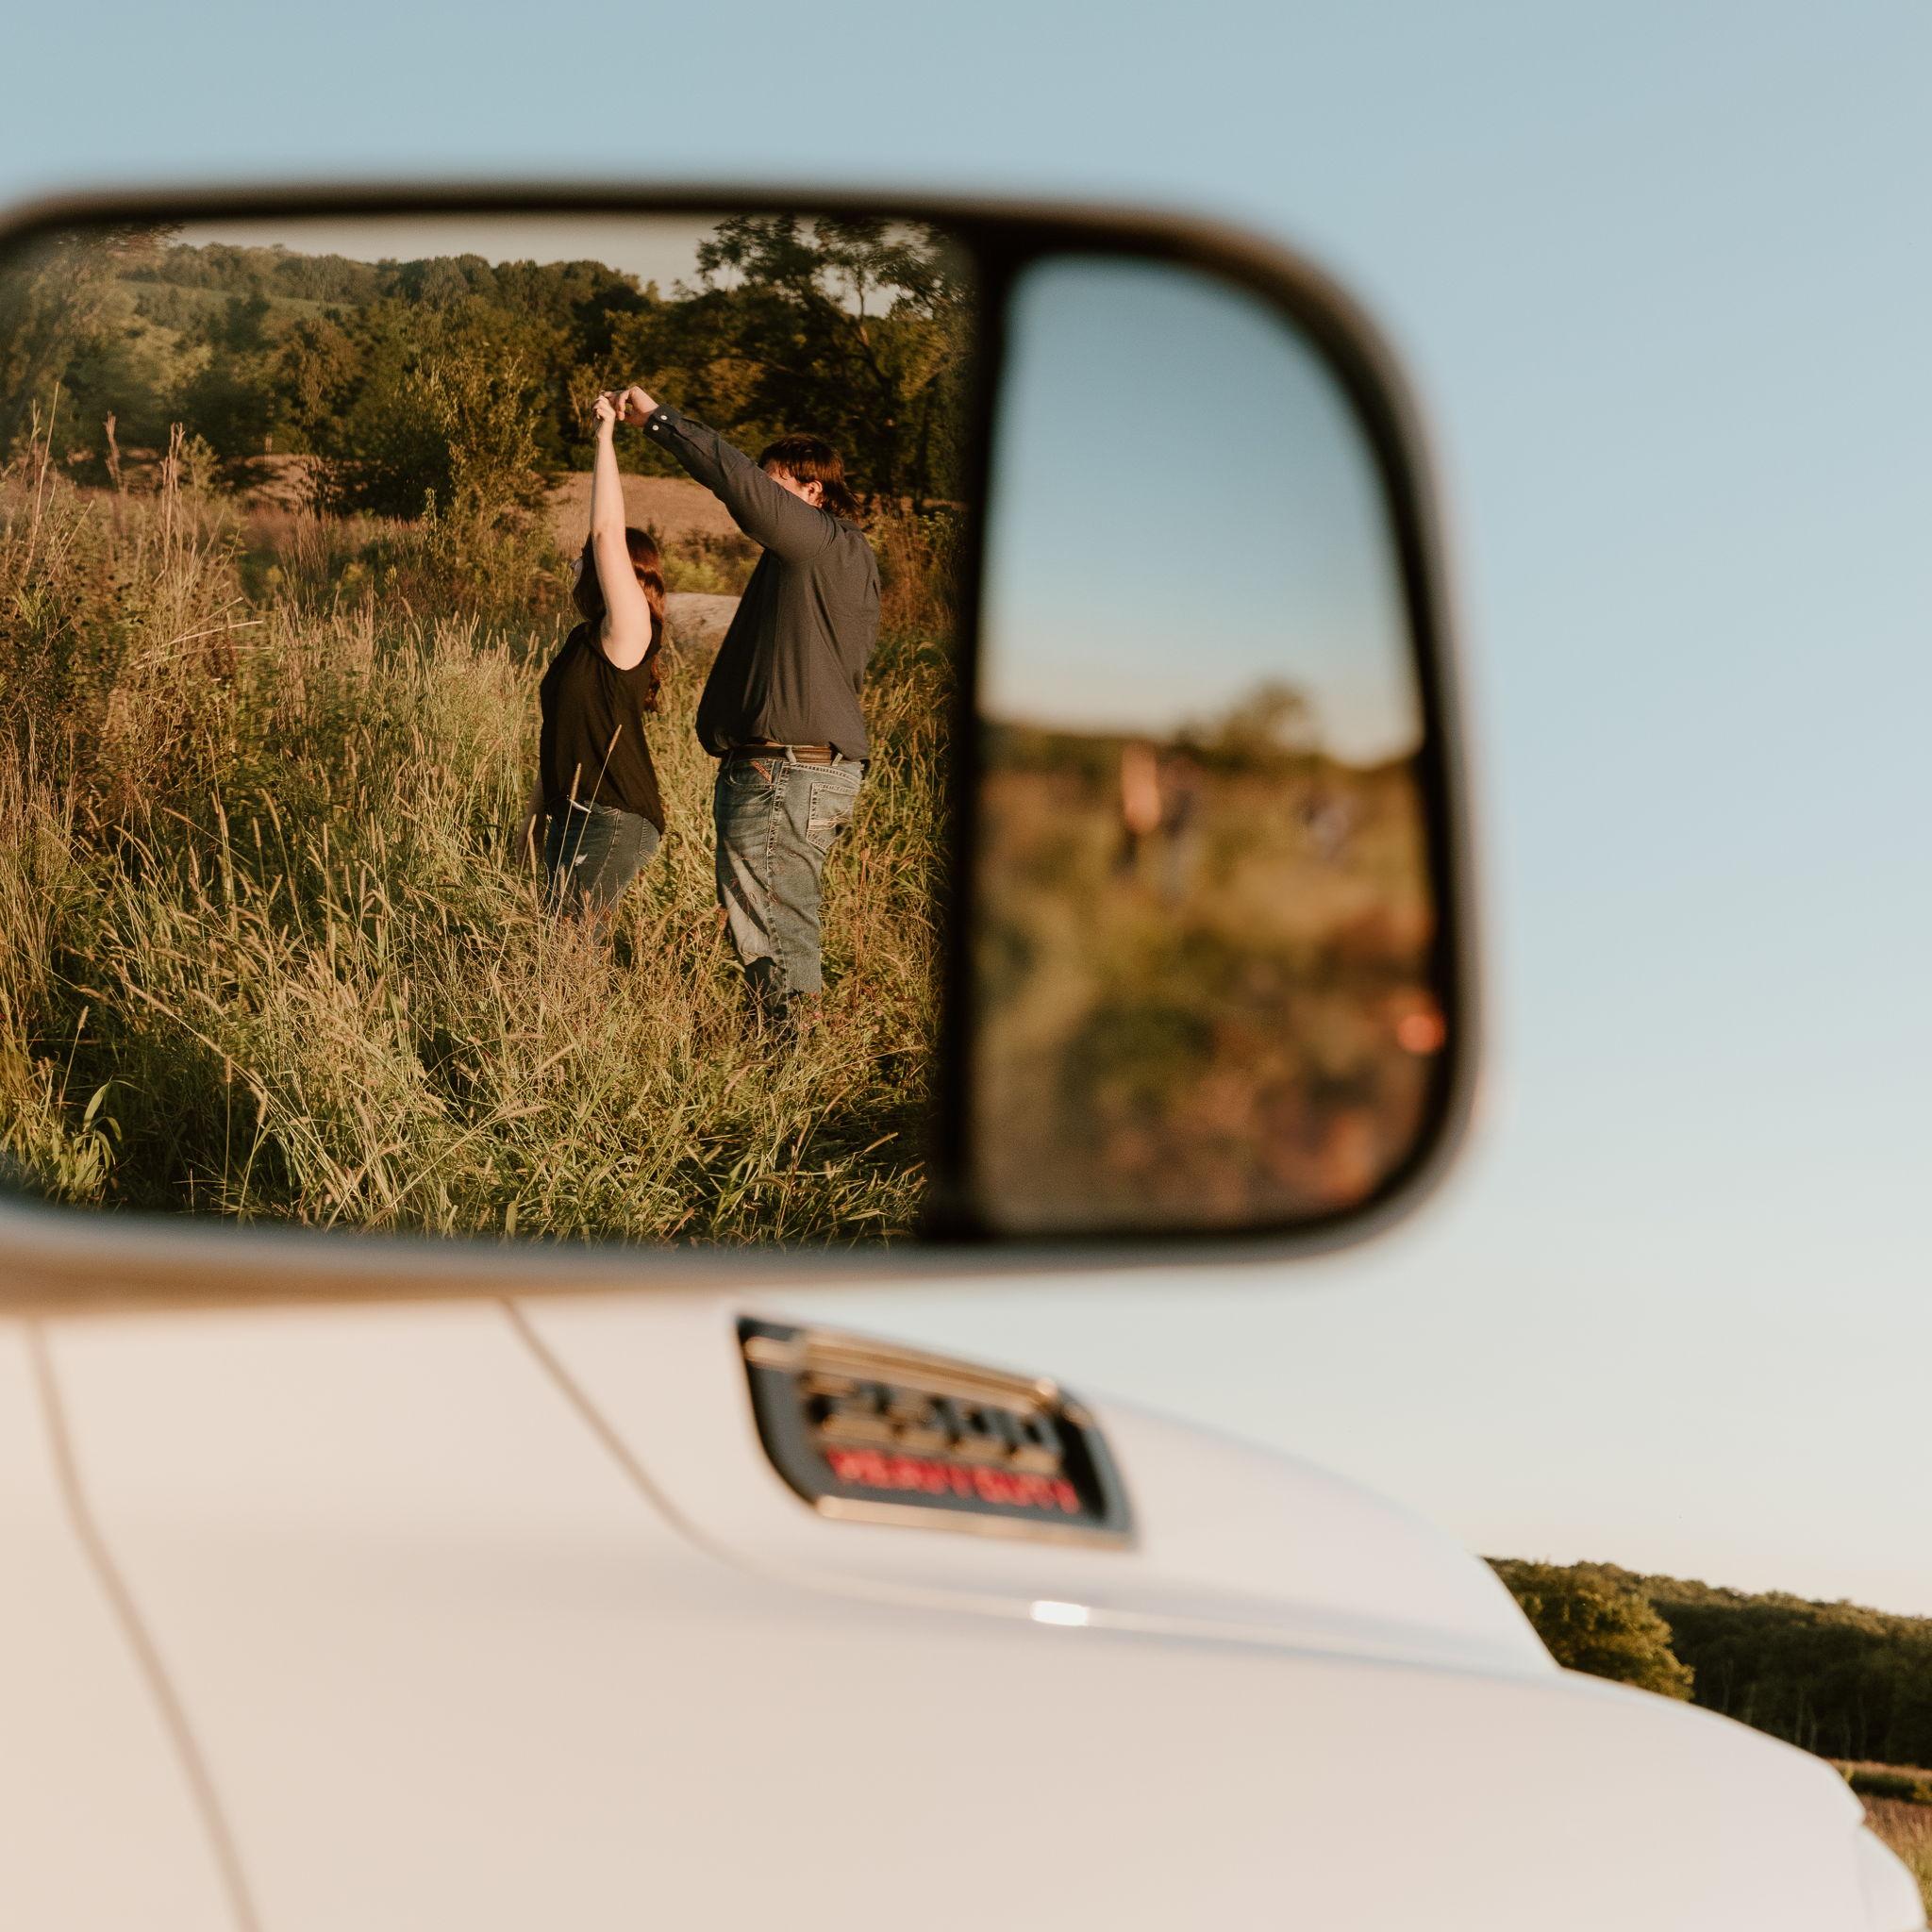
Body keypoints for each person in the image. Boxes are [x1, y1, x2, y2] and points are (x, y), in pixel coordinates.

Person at [611, 382, 878, 1035]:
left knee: (774, 928)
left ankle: (791, 1060)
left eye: (774, 484)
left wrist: (659, 420)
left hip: (785, 772)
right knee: (779, 921)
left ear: (814, 492)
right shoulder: (824, 563)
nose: (759, 496)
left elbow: (732, 479)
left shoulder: (819, 544)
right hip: (797, 769)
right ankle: (787, 1049)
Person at [520, 391, 668, 914]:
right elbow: (562, 734)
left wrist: (605, 438)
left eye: (583, 558)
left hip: (611, 816)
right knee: (556, 949)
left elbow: (605, 534)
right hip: (571, 815)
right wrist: (532, 824)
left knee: (567, 949)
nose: (575, 565)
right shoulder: (582, 642)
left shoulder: (629, 631)